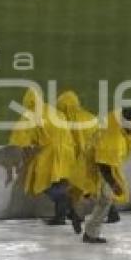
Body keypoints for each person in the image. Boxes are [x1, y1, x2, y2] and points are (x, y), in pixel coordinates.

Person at [9, 88, 78, 227]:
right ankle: (66, 214)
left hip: (49, 153)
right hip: (67, 151)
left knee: (43, 182)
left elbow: (22, 141)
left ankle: (62, 207)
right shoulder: (54, 111)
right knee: (61, 182)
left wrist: (23, 161)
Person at [82, 108, 131, 244]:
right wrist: (113, 184)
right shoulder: (113, 140)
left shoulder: (129, 129)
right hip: (96, 165)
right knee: (105, 198)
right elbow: (103, 165)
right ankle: (90, 233)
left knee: (105, 198)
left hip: (108, 162)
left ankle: (91, 227)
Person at [55, 90, 99, 233]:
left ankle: (75, 216)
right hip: (97, 159)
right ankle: (110, 214)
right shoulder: (92, 117)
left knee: (76, 192)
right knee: (98, 190)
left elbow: (72, 145)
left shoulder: (66, 123)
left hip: (80, 163)